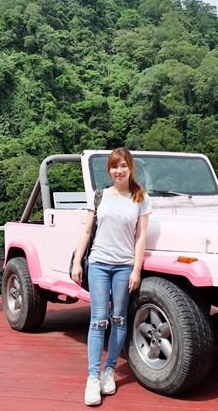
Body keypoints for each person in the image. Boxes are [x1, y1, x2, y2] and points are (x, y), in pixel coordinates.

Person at [71, 147, 152, 406]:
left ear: (130, 169)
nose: (119, 171)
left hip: (124, 265)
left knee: (118, 318)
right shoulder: (99, 196)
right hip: (98, 264)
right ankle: (92, 377)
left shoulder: (141, 198)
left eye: (123, 166)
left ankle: (109, 371)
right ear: (109, 169)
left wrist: (137, 269)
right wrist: (76, 262)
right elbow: (86, 231)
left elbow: (141, 238)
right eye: (114, 167)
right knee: (98, 320)